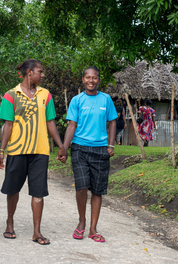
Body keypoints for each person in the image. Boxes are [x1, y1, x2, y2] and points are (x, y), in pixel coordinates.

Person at [0, 59, 67, 245]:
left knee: (38, 191)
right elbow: (8, 125)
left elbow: (50, 121)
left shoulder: (46, 95)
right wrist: (1, 151)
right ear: (29, 72)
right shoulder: (10, 95)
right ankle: (10, 222)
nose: (43, 75)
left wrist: (61, 145)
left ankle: (37, 231)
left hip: (40, 151)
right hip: (17, 150)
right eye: (40, 71)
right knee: (13, 189)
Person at [62, 66, 117, 243]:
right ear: (83, 79)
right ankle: (82, 221)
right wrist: (64, 148)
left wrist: (111, 144)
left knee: (97, 190)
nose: (91, 81)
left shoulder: (106, 99)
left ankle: (93, 229)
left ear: (98, 80)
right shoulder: (77, 100)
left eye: (94, 78)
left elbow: (113, 122)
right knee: (81, 186)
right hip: (79, 148)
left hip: (101, 149)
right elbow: (71, 125)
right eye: (88, 78)